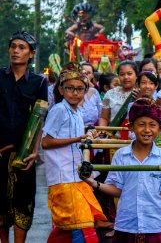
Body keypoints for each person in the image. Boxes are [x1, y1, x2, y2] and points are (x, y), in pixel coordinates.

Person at [81, 99, 161, 242]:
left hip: (156, 225)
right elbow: (117, 189)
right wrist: (93, 183)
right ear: (131, 127)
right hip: (126, 224)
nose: (147, 130)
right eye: (141, 124)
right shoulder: (121, 155)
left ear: (160, 129)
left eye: (152, 125)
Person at [42, 67, 106, 242]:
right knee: (81, 223)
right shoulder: (59, 110)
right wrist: (78, 138)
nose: (75, 93)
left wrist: (89, 135)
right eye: (70, 88)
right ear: (61, 90)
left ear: (86, 91)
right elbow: (46, 142)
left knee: (69, 227)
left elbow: (76, 138)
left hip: (76, 176)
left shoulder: (78, 111)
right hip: (63, 177)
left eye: (79, 89)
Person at [0, 31, 48, 243]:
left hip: (23, 153)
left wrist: (35, 150)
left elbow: (39, 119)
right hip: (0, 149)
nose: (16, 51)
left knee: (24, 202)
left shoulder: (39, 82)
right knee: (0, 204)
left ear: (31, 54)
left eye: (22, 47)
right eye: (13, 46)